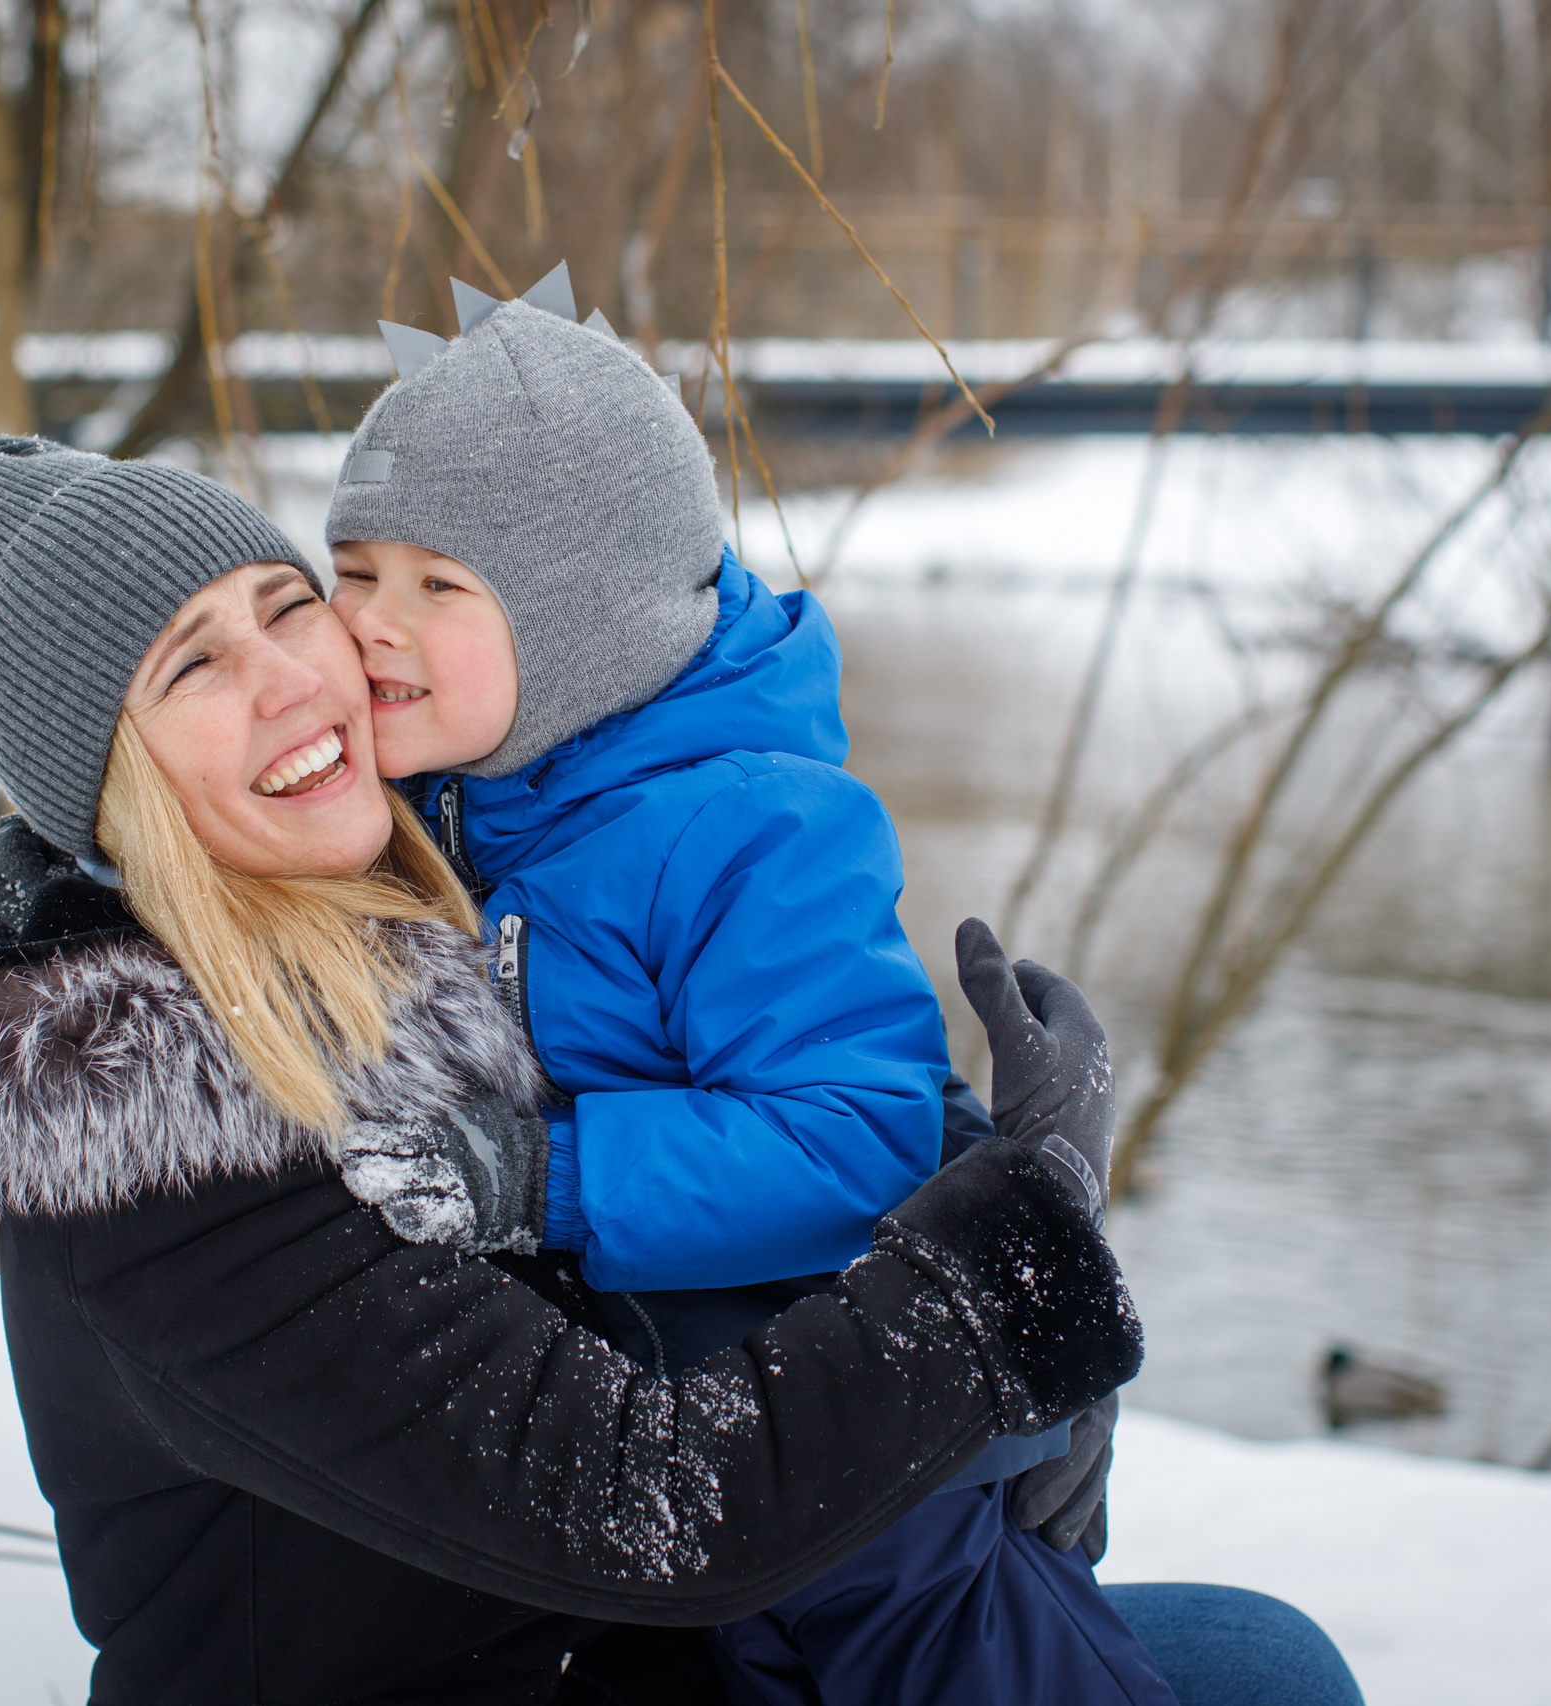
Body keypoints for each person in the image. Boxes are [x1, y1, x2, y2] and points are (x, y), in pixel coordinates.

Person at [0, 436, 1149, 1704]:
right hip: (566, 1641)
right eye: (193, 668)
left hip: (623, 1659)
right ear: (111, 790)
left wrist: (1000, 1232)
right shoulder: (163, 1169)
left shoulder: (406, 923)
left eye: (289, 607)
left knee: (1259, 1656)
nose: (290, 680)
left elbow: (728, 1077)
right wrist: (1014, 1271)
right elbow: (663, 1502)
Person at [323, 264, 1158, 1705]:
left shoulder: (746, 823)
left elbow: (855, 1132)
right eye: (354, 571)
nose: (373, 623)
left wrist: (550, 1178)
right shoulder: (479, 806)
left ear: (586, 625)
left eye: (439, 585)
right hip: (695, 1459)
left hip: (860, 1467)